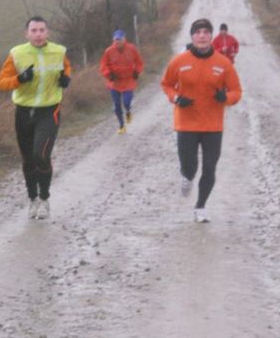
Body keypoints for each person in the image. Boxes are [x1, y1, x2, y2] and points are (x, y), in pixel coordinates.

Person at [161, 18, 242, 223]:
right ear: (192, 36)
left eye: (206, 32)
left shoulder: (223, 63)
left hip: (212, 124)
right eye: (198, 32)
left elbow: (236, 90)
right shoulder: (179, 61)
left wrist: (227, 98)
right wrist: (177, 98)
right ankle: (186, 177)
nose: (202, 36)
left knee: (210, 167)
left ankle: (201, 206)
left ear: (211, 37)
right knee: (190, 166)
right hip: (186, 123)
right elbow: (167, 84)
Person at [0, 16, 72, 220]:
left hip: (49, 111)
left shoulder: (59, 51)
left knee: (41, 155)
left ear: (47, 32)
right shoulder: (17, 54)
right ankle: (33, 200)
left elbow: (66, 69)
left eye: (41, 30)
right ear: (26, 34)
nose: (38, 34)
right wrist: (19, 79)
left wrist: (66, 80)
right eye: (34, 30)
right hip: (23, 112)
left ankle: (45, 198)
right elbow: (2, 83)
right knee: (28, 160)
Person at [100, 29, 144, 134]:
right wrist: (108, 74)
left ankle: (128, 111)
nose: (118, 42)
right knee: (116, 106)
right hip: (115, 82)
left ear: (124, 39)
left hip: (128, 81)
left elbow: (139, 62)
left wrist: (137, 71)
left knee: (126, 102)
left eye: (120, 39)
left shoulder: (131, 49)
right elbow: (103, 65)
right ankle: (121, 126)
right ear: (113, 40)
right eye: (116, 40)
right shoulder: (109, 51)